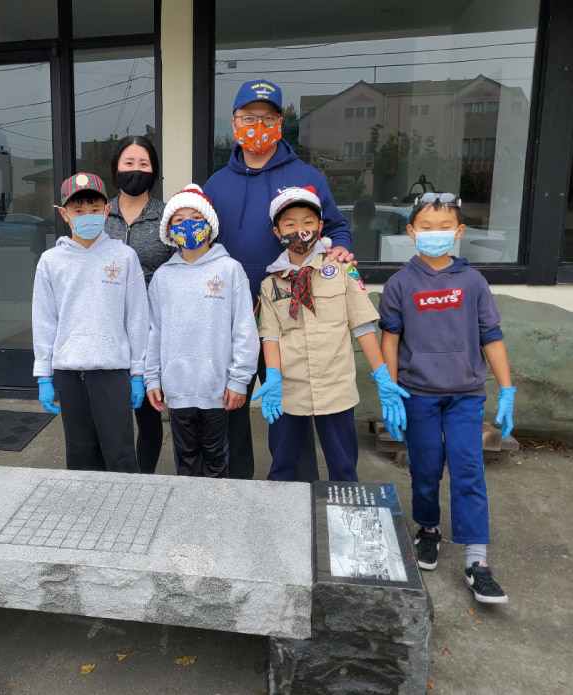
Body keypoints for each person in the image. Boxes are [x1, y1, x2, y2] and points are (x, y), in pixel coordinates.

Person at [203, 78, 355, 480]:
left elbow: (336, 227)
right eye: (249, 117)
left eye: (267, 118)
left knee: (290, 407)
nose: (258, 125)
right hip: (231, 316)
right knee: (230, 403)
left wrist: (340, 248)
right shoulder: (216, 184)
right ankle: (236, 485)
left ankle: (295, 488)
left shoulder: (306, 177)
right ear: (234, 122)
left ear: (280, 123)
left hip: (290, 316)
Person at [379, 192, 514, 604]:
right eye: (425, 227)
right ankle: (429, 529)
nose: (434, 234)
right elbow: (390, 338)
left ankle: (477, 560)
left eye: (444, 227)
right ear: (410, 231)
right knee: (424, 467)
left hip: (465, 395)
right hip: (418, 393)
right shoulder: (400, 283)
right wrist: (390, 387)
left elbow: (491, 335)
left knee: (468, 469)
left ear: (459, 232)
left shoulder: (473, 282)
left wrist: (506, 388)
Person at [254, 187, 400, 481]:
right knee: (283, 466)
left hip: (336, 388)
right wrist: (273, 377)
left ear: (320, 227)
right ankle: (286, 524)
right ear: (277, 231)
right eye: (290, 224)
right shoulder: (271, 284)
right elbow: (270, 336)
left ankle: (345, 522)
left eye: (308, 222)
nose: (300, 230)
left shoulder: (344, 270)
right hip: (290, 389)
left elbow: (362, 326)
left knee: (344, 467)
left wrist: (383, 376)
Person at [32, 173, 149, 473]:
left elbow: (137, 317)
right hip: (69, 371)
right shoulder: (51, 261)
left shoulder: (124, 257)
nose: (88, 216)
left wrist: (138, 371)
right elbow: (45, 320)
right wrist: (44, 374)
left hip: (112, 371)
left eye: (95, 209)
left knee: (120, 451)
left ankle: (126, 514)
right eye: (79, 210)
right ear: (64, 213)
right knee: (81, 451)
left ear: (106, 210)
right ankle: (87, 514)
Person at [144, 185, 258, 477]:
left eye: (195, 217)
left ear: (209, 225)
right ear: (169, 230)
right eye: (179, 220)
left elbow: (244, 330)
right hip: (178, 390)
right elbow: (154, 332)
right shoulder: (162, 278)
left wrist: (239, 380)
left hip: (217, 392)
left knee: (217, 461)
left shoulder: (230, 271)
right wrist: (152, 378)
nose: (188, 225)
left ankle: (216, 519)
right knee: (186, 461)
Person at [104, 135, 174, 474]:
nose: (136, 170)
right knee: (111, 417)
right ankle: (113, 477)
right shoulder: (100, 215)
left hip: (151, 335)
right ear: (116, 168)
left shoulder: (167, 218)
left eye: (143, 164)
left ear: (154, 170)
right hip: (108, 332)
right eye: (129, 163)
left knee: (148, 416)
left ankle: (141, 479)